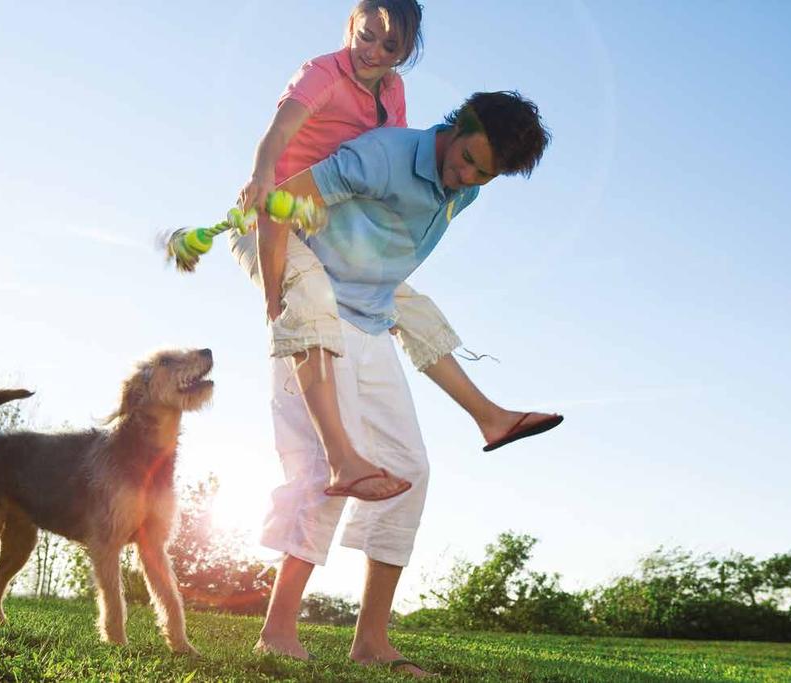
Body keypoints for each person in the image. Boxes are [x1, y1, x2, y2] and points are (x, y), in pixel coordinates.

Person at [251, 91, 558, 677]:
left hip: (368, 318)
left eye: (482, 174)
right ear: (455, 125)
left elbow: (393, 250)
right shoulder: (384, 156)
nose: (464, 176)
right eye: (466, 157)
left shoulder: (462, 192)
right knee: (324, 470)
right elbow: (283, 204)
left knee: (408, 471)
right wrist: (277, 294)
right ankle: (277, 631)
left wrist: (392, 303)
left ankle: (371, 642)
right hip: (315, 311)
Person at [232, 0, 560, 504]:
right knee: (310, 298)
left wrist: (377, 288)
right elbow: (282, 135)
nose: (374, 52)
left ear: (407, 53)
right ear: (350, 27)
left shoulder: (393, 92)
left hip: (324, 215)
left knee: (411, 306)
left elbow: (394, 149)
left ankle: (489, 417)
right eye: (366, 37)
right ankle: (342, 458)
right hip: (274, 212)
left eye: (391, 47)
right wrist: (261, 181)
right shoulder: (323, 74)